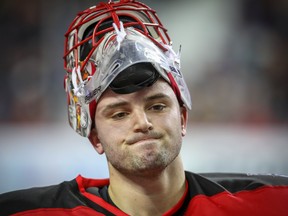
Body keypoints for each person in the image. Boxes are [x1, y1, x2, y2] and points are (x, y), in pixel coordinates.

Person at [1, 0, 288, 215]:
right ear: (95, 137)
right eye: (120, 113)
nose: (142, 122)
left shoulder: (270, 202)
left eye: (158, 106)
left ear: (184, 116)